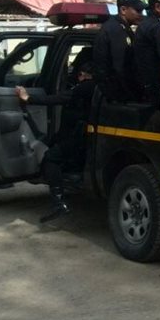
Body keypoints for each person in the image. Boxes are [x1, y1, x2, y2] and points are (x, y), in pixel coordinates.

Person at [15, 53, 97, 223]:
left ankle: (58, 203)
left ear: (83, 74)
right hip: (87, 135)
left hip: (79, 136)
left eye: (79, 74)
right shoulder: (102, 86)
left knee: (51, 158)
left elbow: (59, 98)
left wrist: (28, 98)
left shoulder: (85, 87)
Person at [93, 0, 145, 102]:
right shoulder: (115, 30)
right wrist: (129, 95)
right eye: (138, 11)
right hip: (118, 94)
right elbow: (120, 68)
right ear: (123, 10)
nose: (141, 14)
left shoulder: (123, 28)